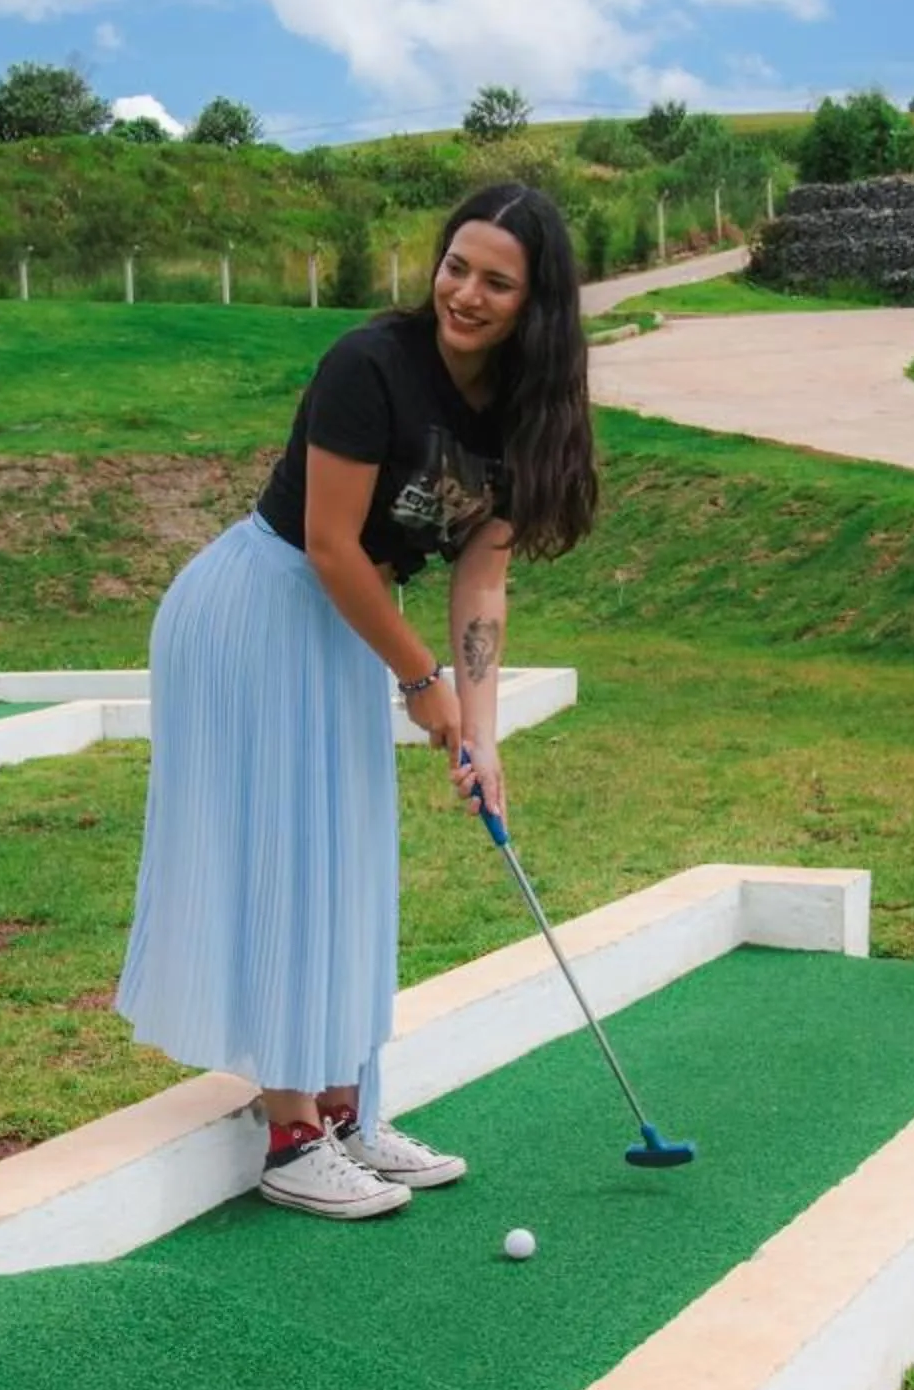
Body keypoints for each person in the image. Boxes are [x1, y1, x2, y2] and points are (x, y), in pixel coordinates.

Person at [114, 183, 598, 1219]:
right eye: (456, 265)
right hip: (261, 605)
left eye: (496, 281)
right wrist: (420, 681)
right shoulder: (369, 366)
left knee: (351, 854)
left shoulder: (521, 415)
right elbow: (333, 544)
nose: (465, 292)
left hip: (343, 616)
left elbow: (482, 580)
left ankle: (346, 1106)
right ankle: (291, 1135)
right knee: (291, 851)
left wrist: (481, 728)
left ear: (536, 305)